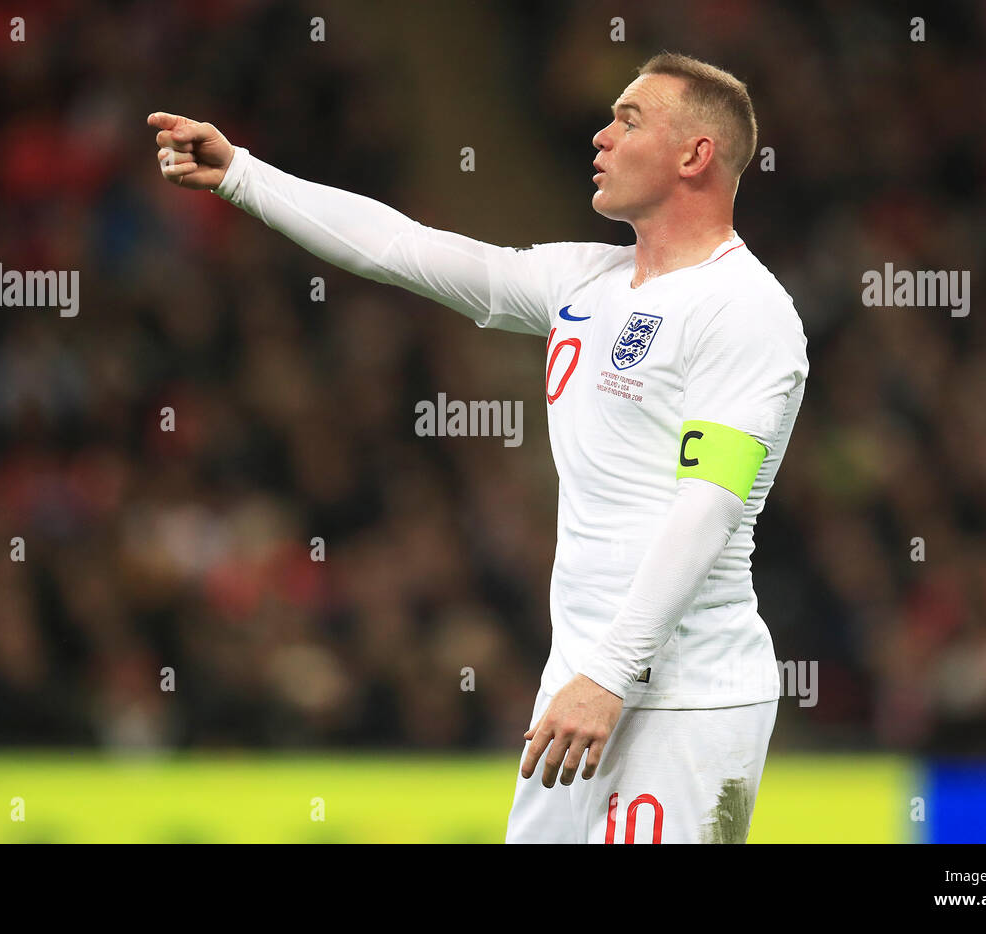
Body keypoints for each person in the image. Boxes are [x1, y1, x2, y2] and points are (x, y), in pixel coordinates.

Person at [148, 50, 808, 844]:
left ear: (695, 155)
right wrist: (244, 176)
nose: (599, 135)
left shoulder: (744, 311)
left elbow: (706, 509)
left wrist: (609, 675)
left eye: (628, 120)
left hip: (685, 699)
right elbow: (404, 249)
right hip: (581, 690)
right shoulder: (587, 285)